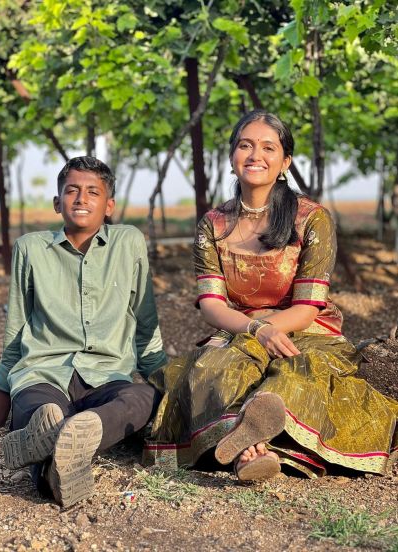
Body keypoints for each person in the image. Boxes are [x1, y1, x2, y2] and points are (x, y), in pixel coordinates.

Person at [143, 110, 398, 480]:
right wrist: (255, 330)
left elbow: (307, 308)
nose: (255, 155)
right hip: (238, 329)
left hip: (306, 330)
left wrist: (266, 329)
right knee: (214, 370)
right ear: (232, 157)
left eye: (268, 147)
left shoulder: (313, 219)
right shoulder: (212, 225)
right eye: (245, 145)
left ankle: (253, 434)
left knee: (298, 373)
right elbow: (213, 305)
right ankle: (252, 449)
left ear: (285, 162)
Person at [0, 156, 166, 507]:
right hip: (44, 374)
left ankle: (78, 433)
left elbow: (145, 322)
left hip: (106, 378)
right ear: (57, 202)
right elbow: (16, 332)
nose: (81, 198)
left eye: (93, 192)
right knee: (38, 410)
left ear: (109, 206)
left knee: (142, 399)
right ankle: (56, 461)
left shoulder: (128, 243)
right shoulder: (31, 249)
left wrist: (165, 389)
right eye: (71, 190)